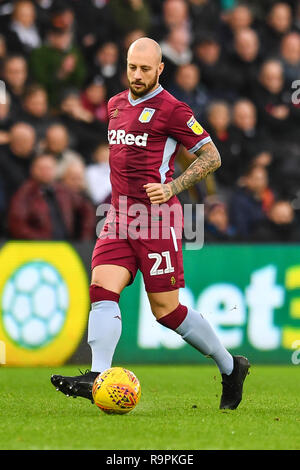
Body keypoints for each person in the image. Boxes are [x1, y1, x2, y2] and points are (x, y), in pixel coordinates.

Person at [51, 37, 250, 410]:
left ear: (160, 69)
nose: (137, 74)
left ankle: (230, 366)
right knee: (102, 288)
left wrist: (172, 186)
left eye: (145, 68)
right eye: (132, 67)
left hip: (156, 221)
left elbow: (212, 156)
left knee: (166, 311)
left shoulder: (173, 110)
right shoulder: (113, 106)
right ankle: (98, 375)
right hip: (119, 216)